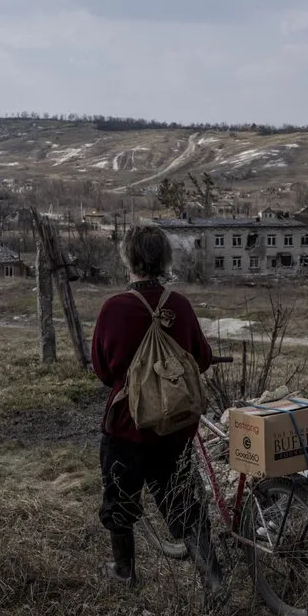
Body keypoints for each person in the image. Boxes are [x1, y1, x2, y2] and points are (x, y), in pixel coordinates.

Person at [91, 224, 223, 597]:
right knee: (184, 504)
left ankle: (123, 571)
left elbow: (103, 371)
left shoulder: (114, 308)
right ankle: (213, 580)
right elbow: (201, 358)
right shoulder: (178, 305)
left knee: (119, 498)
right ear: (164, 259)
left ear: (129, 259)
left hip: (127, 430)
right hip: (174, 430)